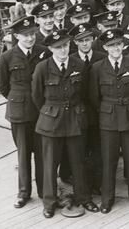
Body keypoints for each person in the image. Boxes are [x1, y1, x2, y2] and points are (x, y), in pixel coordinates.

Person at [32, 28, 98, 218]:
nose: (62, 51)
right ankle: (49, 202)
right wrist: (51, 112)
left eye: (65, 46)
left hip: (75, 119)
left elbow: (85, 92)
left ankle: (84, 198)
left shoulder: (78, 64)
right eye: (58, 47)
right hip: (51, 122)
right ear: (51, 48)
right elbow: (37, 97)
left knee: (78, 162)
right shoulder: (42, 68)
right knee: (50, 164)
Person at [88, 27, 129, 213]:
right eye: (111, 45)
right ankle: (107, 199)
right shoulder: (98, 68)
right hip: (108, 119)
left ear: (123, 45)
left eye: (118, 44)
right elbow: (93, 97)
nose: (115, 48)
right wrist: (108, 109)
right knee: (109, 160)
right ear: (105, 47)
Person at [0, 16, 49, 208]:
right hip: (19, 113)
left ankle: (45, 190)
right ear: (17, 36)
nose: (30, 38)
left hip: (41, 111)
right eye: (25, 35)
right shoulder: (7, 57)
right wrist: (18, 99)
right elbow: (2, 85)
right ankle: (24, 192)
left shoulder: (44, 52)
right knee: (23, 153)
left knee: (43, 152)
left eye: (32, 34)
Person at [69, 22, 105, 194]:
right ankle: (84, 187)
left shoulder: (102, 57)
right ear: (75, 42)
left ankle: (97, 184)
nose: (85, 43)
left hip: (99, 112)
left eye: (88, 39)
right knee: (80, 151)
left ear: (93, 39)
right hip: (79, 113)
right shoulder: (71, 60)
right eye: (80, 40)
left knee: (98, 150)